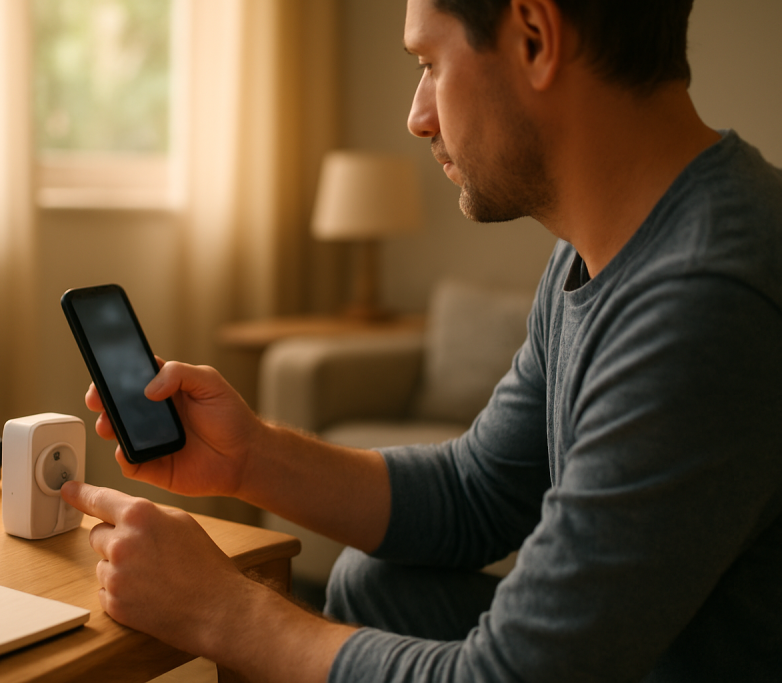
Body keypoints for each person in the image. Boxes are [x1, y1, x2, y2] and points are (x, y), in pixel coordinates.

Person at [61, 0, 782, 680]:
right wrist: (249, 455)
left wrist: (220, 607)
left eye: (429, 63)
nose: (417, 116)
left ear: (534, 36)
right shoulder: (598, 250)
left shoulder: (705, 294)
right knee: (376, 583)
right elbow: (474, 495)